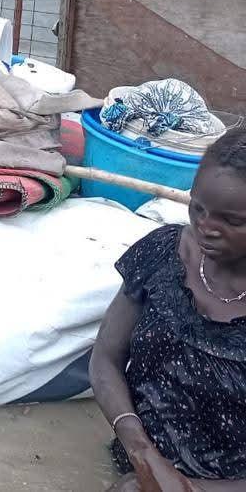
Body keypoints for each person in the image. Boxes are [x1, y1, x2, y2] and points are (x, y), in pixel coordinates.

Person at [91, 125, 246, 492]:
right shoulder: (164, 253)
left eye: (232, 220)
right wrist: (143, 454)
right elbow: (105, 358)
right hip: (137, 461)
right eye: (198, 207)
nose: (206, 227)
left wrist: (189, 489)